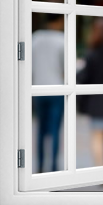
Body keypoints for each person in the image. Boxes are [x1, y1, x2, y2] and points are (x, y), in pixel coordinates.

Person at [32, 13, 65, 173]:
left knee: (40, 130)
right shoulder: (62, 39)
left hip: (37, 89)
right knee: (55, 131)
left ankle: (38, 167)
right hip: (57, 90)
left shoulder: (36, 38)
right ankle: (53, 168)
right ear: (58, 21)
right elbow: (66, 69)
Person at [76, 17, 103, 167]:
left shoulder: (91, 54)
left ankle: (100, 167)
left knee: (97, 136)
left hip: (95, 101)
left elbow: (83, 76)